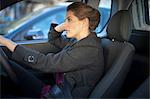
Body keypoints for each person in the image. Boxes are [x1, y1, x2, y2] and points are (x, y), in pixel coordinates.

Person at [0, 2, 104, 98]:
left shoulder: (89, 49)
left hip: (63, 95)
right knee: (10, 66)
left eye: (69, 20)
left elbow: (46, 63)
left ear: (84, 22)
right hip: (56, 88)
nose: (65, 24)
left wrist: (7, 42)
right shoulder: (77, 41)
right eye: (65, 20)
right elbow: (53, 39)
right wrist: (63, 26)